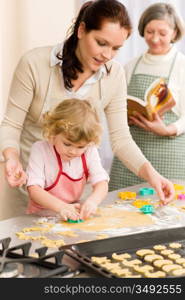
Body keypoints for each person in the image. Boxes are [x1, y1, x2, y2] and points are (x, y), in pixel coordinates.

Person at [0, 0, 174, 209]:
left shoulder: (114, 74)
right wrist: (11, 158)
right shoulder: (34, 64)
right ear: (82, 30)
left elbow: (121, 139)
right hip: (25, 185)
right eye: (101, 43)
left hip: (74, 197)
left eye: (116, 48)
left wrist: (152, 175)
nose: (107, 55)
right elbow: (12, 124)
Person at [109, 3, 185, 192]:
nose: (155, 39)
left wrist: (167, 130)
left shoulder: (181, 66)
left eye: (162, 33)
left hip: (169, 154)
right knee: (122, 208)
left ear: (174, 33)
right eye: (150, 31)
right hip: (131, 156)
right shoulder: (130, 65)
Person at [26, 99, 109, 220]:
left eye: (80, 147)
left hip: (72, 215)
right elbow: (34, 190)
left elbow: (102, 183)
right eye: (67, 144)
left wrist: (92, 202)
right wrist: (61, 207)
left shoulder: (89, 150)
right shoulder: (40, 150)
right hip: (40, 218)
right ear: (53, 133)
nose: (73, 151)